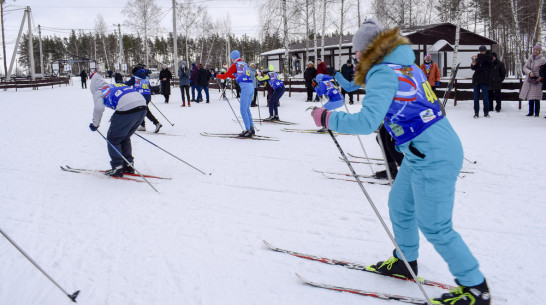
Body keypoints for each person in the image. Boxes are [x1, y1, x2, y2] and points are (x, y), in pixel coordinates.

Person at [311, 18, 491, 305]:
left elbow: (368, 120)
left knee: (435, 225)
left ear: (371, 50)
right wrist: (345, 84)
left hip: (432, 153)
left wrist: (327, 117)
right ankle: (405, 262)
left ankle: (476, 289)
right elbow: (387, 98)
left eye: (358, 52)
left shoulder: (383, 73)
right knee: (400, 204)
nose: (355, 57)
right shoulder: (404, 66)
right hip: (424, 149)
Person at [88, 71, 147, 177]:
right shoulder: (114, 85)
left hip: (128, 109)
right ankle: (128, 165)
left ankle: (117, 167)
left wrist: (95, 124)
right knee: (124, 137)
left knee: (113, 139)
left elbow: (99, 108)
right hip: (142, 107)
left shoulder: (99, 91)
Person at [217, 50, 255, 138]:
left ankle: (248, 130)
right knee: (247, 109)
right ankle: (251, 128)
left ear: (233, 58)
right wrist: (230, 75)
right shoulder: (244, 64)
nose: (231, 60)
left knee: (243, 110)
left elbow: (224, 76)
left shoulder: (235, 65)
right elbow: (239, 75)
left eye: (231, 58)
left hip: (245, 88)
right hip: (250, 86)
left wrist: (217, 75)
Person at [125, 65, 162, 133]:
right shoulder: (146, 77)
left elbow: (127, 84)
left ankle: (156, 123)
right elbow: (150, 87)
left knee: (145, 111)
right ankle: (142, 125)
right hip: (147, 95)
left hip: (140, 97)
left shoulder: (135, 78)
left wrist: (120, 82)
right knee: (141, 110)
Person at [520, 43, 545, 117]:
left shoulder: (543, 60)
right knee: (530, 96)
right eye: (534, 49)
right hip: (530, 80)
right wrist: (529, 72)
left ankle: (536, 113)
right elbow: (525, 67)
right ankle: (530, 112)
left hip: (538, 80)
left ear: (539, 51)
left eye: (537, 50)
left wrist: (539, 76)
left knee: (536, 97)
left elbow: (544, 70)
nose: (535, 51)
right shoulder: (530, 58)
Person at [471, 45, 492, 118]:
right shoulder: (478, 58)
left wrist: (478, 56)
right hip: (476, 80)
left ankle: (486, 112)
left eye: (482, 51)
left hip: (484, 81)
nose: (481, 52)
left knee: (485, 97)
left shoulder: (488, 57)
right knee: (476, 98)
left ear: (485, 51)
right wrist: (473, 64)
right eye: (480, 51)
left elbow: (487, 58)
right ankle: (476, 112)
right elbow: (473, 68)